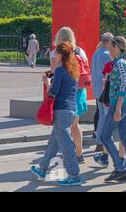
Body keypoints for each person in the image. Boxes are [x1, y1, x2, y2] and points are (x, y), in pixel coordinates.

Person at [30, 42, 82, 186]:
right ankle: (43, 168)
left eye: (56, 53)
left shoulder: (59, 70)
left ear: (61, 55)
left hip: (61, 110)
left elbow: (53, 92)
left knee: (65, 144)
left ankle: (74, 174)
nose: (54, 55)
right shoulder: (74, 70)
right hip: (71, 109)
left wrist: (47, 82)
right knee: (54, 142)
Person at [101, 36, 126, 182]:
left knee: (105, 136)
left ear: (116, 47)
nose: (109, 49)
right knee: (125, 136)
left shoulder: (120, 63)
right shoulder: (122, 62)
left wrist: (118, 108)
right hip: (124, 103)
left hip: (119, 104)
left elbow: (124, 86)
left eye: (110, 47)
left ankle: (120, 168)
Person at [53, 27, 88, 164]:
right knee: (75, 124)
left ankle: (67, 155)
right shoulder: (80, 51)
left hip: (65, 92)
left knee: (63, 126)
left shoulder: (58, 51)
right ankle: (79, 154)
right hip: (79, 90)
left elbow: (55, 70)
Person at [91, 33, 114, 153]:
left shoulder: (96, 53)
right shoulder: (107, 55)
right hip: (105, 90)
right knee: (107, 117)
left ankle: (99, 142)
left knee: (101, 117)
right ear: (110, 42)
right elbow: (109, 73)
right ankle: (105, 143)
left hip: (97, 90)